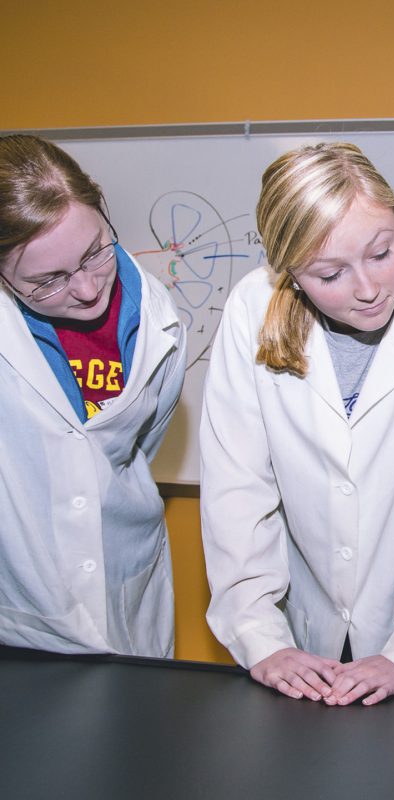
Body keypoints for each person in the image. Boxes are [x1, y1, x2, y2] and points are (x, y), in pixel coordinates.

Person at [200, 142, 394, 705]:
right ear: (289, 272)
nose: (368, 289)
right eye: (330, 273)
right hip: (299, 638)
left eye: (381, 252)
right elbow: (237, 491)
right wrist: (260, 636)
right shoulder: (252, 308)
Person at [0, 135, 187, 656]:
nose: (85, 289)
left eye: (94, 252)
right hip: (17, 611)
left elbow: (133, 453)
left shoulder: (156, 317)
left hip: (126, 585)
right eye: (47, 281)